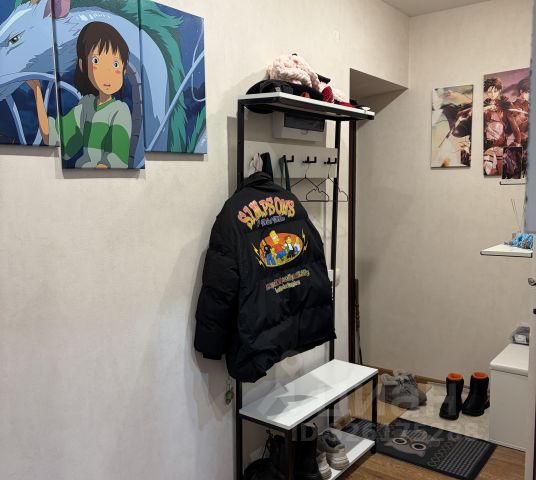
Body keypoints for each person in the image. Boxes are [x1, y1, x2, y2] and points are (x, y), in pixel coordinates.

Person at [28, 22, 132, 169]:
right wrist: (37, 90)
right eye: (96, 61)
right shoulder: (86, 106)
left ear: (124, 69)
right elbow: (50, 136)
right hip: (83, 174)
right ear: (83, 65)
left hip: (98, 178)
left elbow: (115, 160)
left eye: (115, 64)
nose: (107, 73)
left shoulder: (120, 111)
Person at [483, 77, 512, 175]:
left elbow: (509, 110)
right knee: (487, 169)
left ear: (499, 91)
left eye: (495, 91)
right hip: (488, 142)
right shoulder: (484, 104)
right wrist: (487, 108)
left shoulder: (504, 102)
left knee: (502, 170)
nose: (492, 94)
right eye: (489, 92)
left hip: (501, 141)